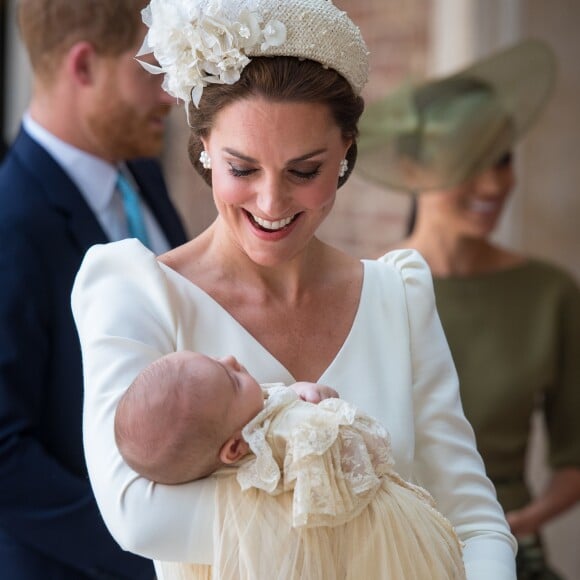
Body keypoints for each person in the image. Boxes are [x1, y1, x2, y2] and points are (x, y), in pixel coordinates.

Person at [71, 1, 518, 579]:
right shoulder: (135, 292)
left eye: (304, 171)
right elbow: (137, 515)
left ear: (345, 155)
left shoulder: (397, 297)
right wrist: (374, 518)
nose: (271, 203)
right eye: (242, 169)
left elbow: (475, 521)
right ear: (205, 146)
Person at [359, 40, 580, 579]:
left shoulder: (549, 294)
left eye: (501, 160)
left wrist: (516, 524)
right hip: (388, 558)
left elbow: (575, 454)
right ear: (411, 166)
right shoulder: (365, 292)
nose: (493, 184)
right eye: (470, 161)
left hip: (511, 558)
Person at [0, 0, 189, 578]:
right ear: (83, 66)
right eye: (150, 71)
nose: (169, 96)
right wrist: (157, 551)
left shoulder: (144, 176)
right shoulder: (11, 220)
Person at [115, 350, 466, 579]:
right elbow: (352, 452)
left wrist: (297, 395)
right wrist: (318, 415)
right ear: (235, 448)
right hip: (382, 556)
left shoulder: (244, 423)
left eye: (218, 361)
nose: (232, 359)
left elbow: (275, 407)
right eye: (232, 380)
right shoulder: (277, 452)